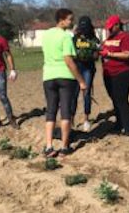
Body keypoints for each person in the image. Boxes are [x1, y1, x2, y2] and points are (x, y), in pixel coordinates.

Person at [42, 8, 87, 158]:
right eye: (70, 19)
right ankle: (64, 146)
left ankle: (48, 146)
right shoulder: (66, 37)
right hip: (65, 77)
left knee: (51, 111)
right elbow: (68, 60)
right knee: (66, 111)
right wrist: (81, 80)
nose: (72, 22)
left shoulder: (46, 35)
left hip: (48, 76)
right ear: (61, 20)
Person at [101, 15, 129, 136]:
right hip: (108, 73)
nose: (109, 30)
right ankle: (118, 123)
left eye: (111, 27)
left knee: (121, 99)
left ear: (117, 25)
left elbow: (127, 54)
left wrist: (109, 53)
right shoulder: (109, 38)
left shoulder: (126, 37)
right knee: (114, 99)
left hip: (122, 72)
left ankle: (127, 127)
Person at [71, 16, 101, 132]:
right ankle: (72, 118)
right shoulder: (75, 39)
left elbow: (97, 55)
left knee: (86, 93)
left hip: (88, 68)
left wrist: (93, 55)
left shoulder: (94, 39)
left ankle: (86, 119)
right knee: (74, 94)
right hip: (76, 68)